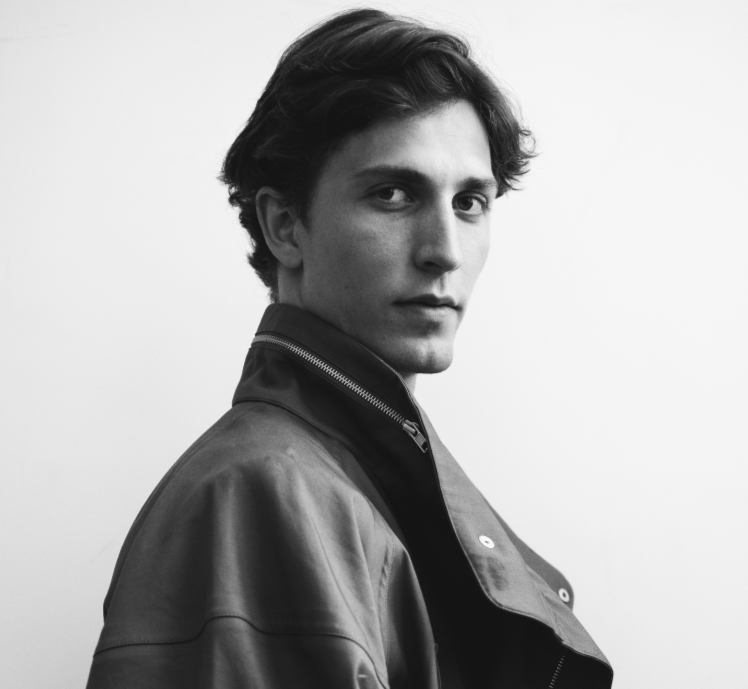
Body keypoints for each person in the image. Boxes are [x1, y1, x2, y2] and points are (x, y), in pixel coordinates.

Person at [86, 8, 612, 688]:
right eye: (394, 194)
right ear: (285, 225)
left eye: (469, 203)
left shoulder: (350, 482)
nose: (444, 251)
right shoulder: (261, 495)